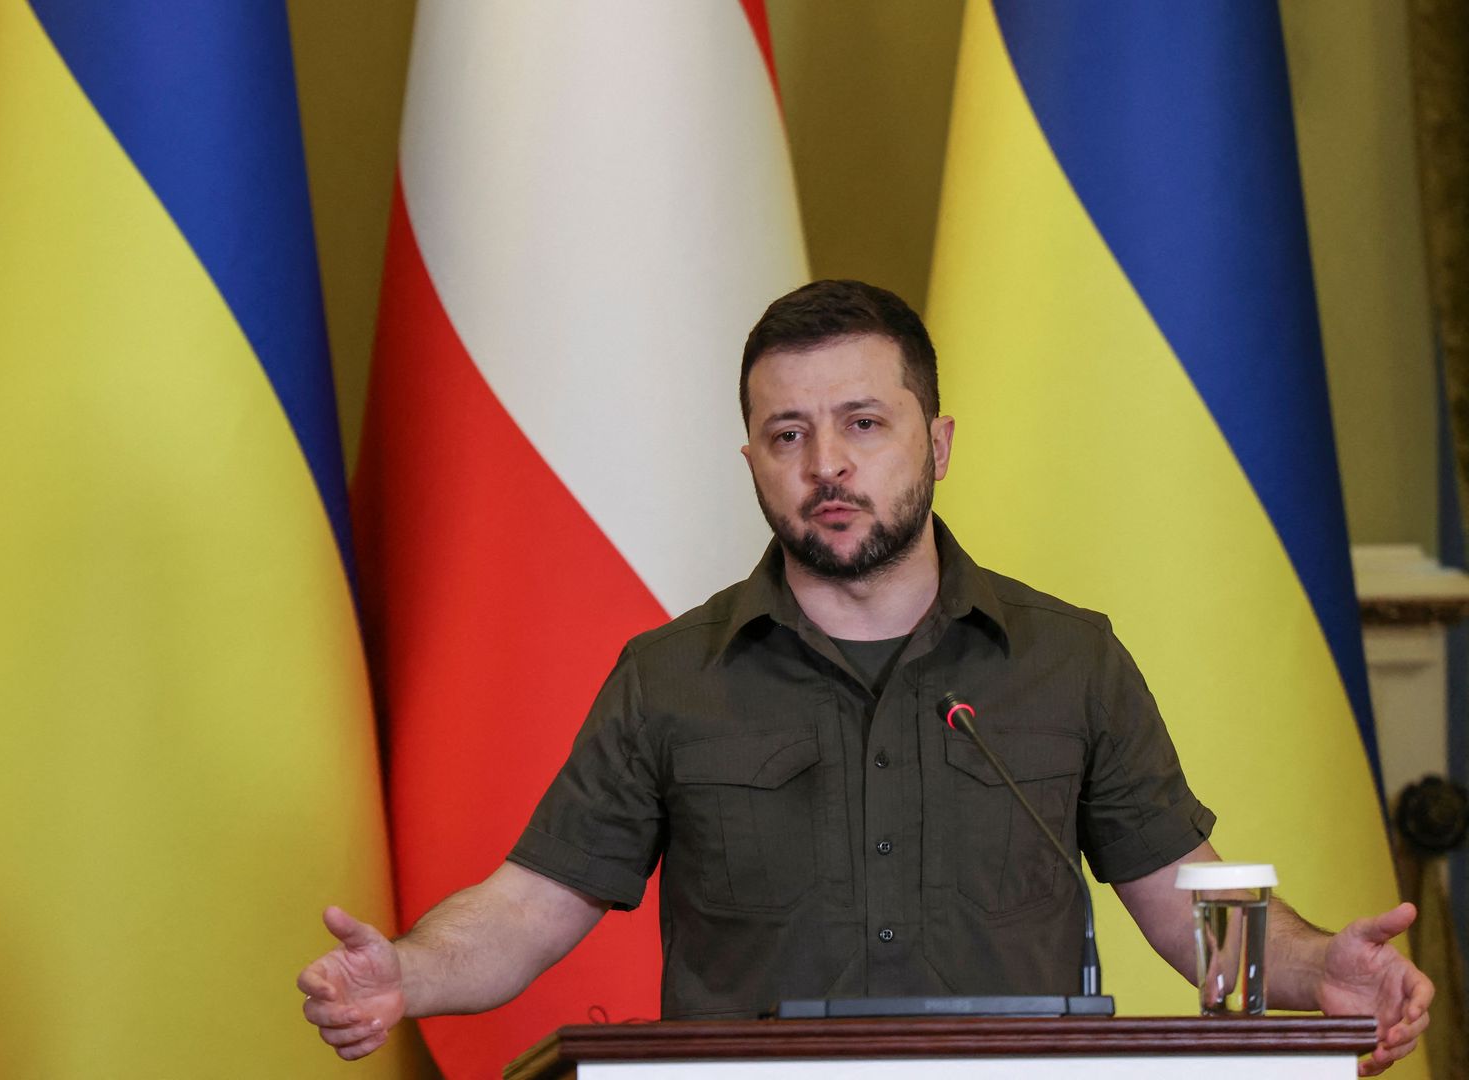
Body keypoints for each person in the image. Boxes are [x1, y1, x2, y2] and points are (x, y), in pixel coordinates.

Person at [298, 280, 1434, 1074]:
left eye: (862, 423)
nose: (826, 464)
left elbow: (1191, 907)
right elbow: (530, 908)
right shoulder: (667, 678)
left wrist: (1306, 967)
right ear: (751, 460)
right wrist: (407, 969)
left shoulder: (1067, 657)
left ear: (936, 444)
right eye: (785, 434)